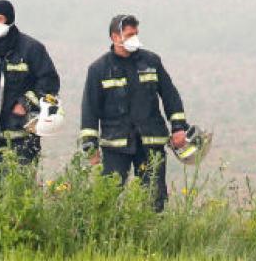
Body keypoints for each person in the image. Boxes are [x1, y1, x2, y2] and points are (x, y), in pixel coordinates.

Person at [77, 13, 190, 210]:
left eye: (136, 34)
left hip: (150, 143)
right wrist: (90, 146)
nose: (134, 39)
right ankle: (107, 236)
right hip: (115, 145)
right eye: (129, 35)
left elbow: (170, 96)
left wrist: (178, 127)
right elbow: (90, 109)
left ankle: (151, 236)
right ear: (114, 37)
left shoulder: (151, 62)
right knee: (107, 197)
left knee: (154, 198)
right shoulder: (99, 69)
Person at [0, 0, 60, 167]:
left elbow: (50, 82)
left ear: (10, 19)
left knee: (22, 187)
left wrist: (25, 103)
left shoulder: (32, 49)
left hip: (24, 135)